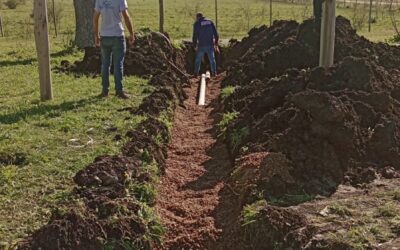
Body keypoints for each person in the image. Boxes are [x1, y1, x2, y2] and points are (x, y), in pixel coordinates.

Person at [93, 0, 135, 99]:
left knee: (105, 65)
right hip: (117, 36)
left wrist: (96, 35)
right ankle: (119, 91)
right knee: (118, 65)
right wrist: (131, 33)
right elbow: (126, 16)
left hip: (105, 36)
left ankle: (105, 91)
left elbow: (95, 18)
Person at [192, 13, 219, 77]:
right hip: (210, 44)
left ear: (197, 17)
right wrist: (216, 43)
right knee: (212, 59)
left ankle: (196, 73)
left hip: (201, 45)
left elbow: (195, 35)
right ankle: (214, 73)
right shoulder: (210, 22)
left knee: (198, 59)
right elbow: (216, 34)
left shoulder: (197, 23)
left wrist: (194, 45)